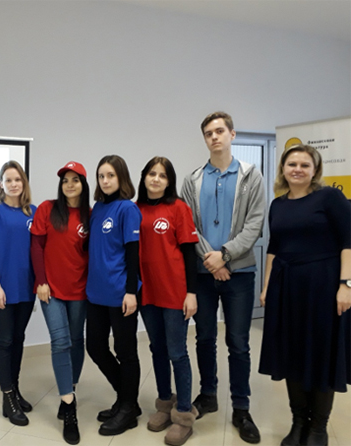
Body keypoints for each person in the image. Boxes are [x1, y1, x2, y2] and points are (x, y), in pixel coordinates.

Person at [181, 111, 265, 444]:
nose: (214, 137)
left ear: (232, 134)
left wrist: (226, 255)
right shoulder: (192, 180)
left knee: (238, 343)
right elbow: (189, 227)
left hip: (240, 274)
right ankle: (208, 395)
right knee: (204, 338)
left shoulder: (251, 176)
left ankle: (241, 407)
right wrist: (213, 262)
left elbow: (255, 223)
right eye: (208, 133)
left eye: (219, 131)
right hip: (203, 275)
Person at [258, 144, 351, 446]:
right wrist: (267, 287)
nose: (297, 169)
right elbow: (274, 248)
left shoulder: (330, 197)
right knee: (292, 353)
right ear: (283, 169)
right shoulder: (278, 205)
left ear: (315, 170)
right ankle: (299, 422)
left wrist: (346, 284)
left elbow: (348, 241)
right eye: (292, 164)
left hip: (323, 286)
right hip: (286, 287)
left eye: (304, 165)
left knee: (321, 353)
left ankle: (318, 427)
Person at [137, 157, 199, 446]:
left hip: (174, 293)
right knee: (157, 349)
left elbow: (189, 254)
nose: (156, 179)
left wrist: (191, 293)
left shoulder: (178, 208)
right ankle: (164, 403)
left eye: (163, 175)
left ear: (169, 181)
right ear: (144, 177)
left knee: (177, 352)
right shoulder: (135, 209)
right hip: (147, 293)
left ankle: (184, 414)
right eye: (152, 173)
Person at [30, 161, 90, 445]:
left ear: (83, 184)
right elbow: (36, 246)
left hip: (80, 290)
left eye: (75, 180)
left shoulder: (90, 215)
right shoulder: (47, 209)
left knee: (77, 340)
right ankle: (69, 407)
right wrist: (41, 281)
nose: (69, 184)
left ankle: (70, 390)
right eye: (65, 180)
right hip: (50, 290)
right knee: (60, 341)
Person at [86, 154, 142, 436]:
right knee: (95, 347)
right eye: (101, 176)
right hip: (96, 293)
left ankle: (127, 408)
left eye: (110, 175)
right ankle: (127, 399)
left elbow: (133, 254)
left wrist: (131, 291)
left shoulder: (127, 209)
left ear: (121, 177)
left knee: (126, 352)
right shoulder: (97, 208)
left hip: (121, 293)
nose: (105, 181)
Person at [0, 160, 37, 426]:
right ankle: (7, 397)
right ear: (1, 184)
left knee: (18, 339)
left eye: (18, 179)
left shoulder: (33, 212)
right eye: (8, 180)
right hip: (2, 290)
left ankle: (15, 390)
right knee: (4, 341)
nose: (13, 184)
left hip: (26, 288)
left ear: (23, 183)